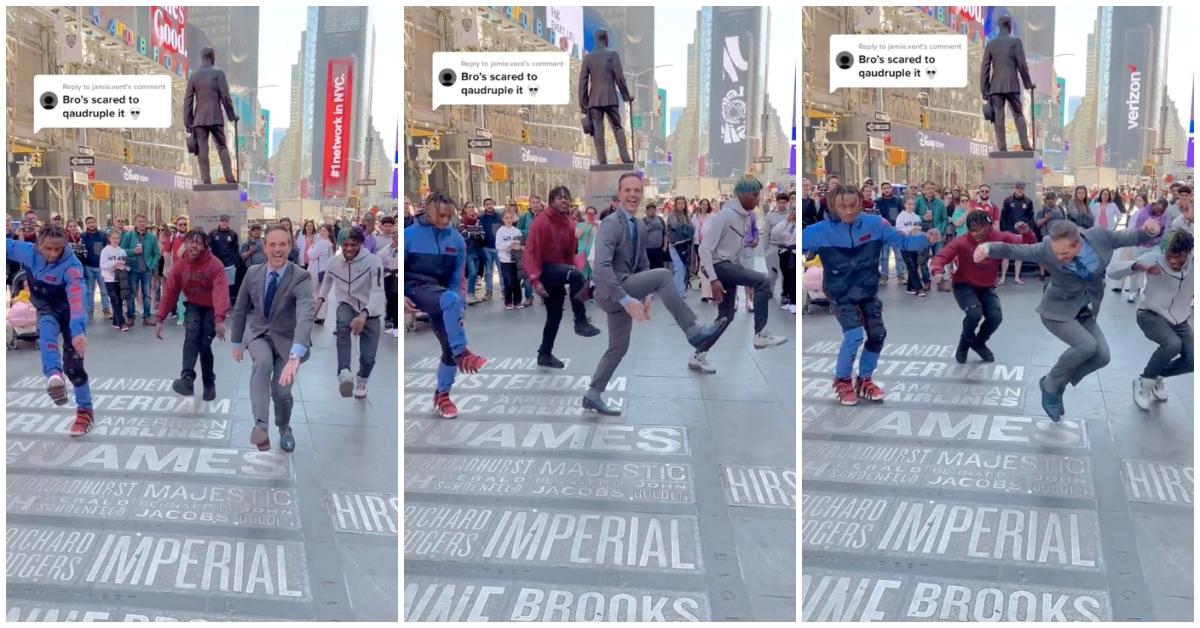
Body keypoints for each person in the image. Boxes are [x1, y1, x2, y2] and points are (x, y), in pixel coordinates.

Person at [976, 217, 1160, 421]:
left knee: (1103, 356)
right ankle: (1051, 384)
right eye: (1056, 253)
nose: (1059, 257)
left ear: (1079, 244)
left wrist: (1149, 231)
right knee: (1087, 346)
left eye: (1064, 253)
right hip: (1057, 310)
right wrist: (987, 248)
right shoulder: (1047, 248)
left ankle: (1055, 382)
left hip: (1085, 309)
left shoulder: (1100, 238)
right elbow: (1014, 250)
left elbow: (1131, 236)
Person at [585, 173, 729, 412]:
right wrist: (625, 298)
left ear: (642, 194)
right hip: (611, 291)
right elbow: (601, 267)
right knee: (664, 275)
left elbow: (641, 263)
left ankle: (593, 393)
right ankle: (694, 333)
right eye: (628, 190)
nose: (633, 195)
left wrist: (645, 295)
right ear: (619, 194)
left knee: (618, 347)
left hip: (627, 286)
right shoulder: (611, 223)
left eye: (637, 191)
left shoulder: (639, 225)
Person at [802, 185, 942, 405]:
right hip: (841, 294)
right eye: (842, 207)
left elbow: (905, 242)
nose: (848, 211)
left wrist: (927, 238)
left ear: (860, 203)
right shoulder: (819, 231)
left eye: (852, 206)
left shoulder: (876, 224)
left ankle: (864, 380)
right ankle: (842, 380)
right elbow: (794, 244)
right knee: (854, 335)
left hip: (867, 290)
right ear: (833, 206)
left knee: (877, 335)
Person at [403, 192, 489, 419]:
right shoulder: (409, 235)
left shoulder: (456, 240)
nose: (445, 221)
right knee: (450, 304)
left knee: (448, 347)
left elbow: (458, 280)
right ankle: (463, 352)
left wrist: (459, 310)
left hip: (443, 296)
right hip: (415, 287)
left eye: (449, 216)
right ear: (428, 210)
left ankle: (442, 394)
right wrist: (401, 296)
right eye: (441, 215)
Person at [229, 226, 313, 452]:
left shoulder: (300, 276)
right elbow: (240, 308)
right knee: (262, 363)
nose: (278, 250)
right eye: (272, 245)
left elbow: (306, 314)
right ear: (265, 248)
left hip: (288, 340)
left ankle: (284, 428)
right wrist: (236, 342)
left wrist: (296, 355)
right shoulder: (253, 273)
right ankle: (261, 426)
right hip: (259, 334)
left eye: (283, 244)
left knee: (282, 392)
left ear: (290, 247)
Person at [7, 226, 94, 434]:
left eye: (58, 249)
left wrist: (78, 331)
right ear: (38, 246)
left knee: (74, 366)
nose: (53, 254)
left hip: (71, 315)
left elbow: (77, 299)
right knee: (46, 335)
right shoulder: (28, 252)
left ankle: (85, 412)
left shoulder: (72, 266)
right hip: (48, 311)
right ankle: (54, 377)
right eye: (48, 249)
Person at [932, 210, 1036, 363]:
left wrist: (1026, 232)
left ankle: (979, 343)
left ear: (989, 226)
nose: (975, 233)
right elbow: (941, 256)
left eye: (979, 228)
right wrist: (937, 271)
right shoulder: (962, 241)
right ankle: (964, 344)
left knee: (995, 317)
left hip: (986, 286)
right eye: (972, 229)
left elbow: (1028, 244)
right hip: (963, 285)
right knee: (974, 314)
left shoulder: (999, 238)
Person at [1107, 230, 1193, 410]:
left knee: (1193, 359)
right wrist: (1139, 266)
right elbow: (1113, 272)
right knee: (1173, 344)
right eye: (1169, 256)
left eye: (1178, 257)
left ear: (1189, 252)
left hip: (1180, 320)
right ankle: (1143, 383)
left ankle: (1157, 376)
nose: (1173, 261)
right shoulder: (1154, 257)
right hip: (1149, 313)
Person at [699, 177, 788, 349]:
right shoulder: (725, 215)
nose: (758, 199)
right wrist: (713, 279)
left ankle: (699, 354)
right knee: (762, 281)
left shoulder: (748, 216)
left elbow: (735, 249)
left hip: (730, 265)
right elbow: (704, 249)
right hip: (719, 266)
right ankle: (760, 333)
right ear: (743, 195)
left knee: (726, 317)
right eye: (755, 195)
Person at [523, 185, 602, 369]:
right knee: (575, 274)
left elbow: (569, 251)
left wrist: (570, 273)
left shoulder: (568, 222)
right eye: (559, 197)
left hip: (558, 270)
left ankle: (544, 354)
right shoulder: (541, 223)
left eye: (567, 197)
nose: (564, 200)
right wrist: (535, 281)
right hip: (545, 270)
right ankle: (580, 321)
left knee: (555, 315)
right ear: (551, 202)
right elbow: (530, 252)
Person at [156, 228, 230, 401]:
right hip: (193, 305)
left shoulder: (215, 265)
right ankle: (187, 379)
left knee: (204, 344)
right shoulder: (180, 265)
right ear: (185, 244)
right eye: (190, 242)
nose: (193, 246)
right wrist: (160, 318)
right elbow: (170, 292)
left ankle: (209, 381)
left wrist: (219, 319)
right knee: (191, 335)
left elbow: (221, 292)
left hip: (211, 307)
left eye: (198, 243)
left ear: (204, 246)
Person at [318, 229, 385, 398]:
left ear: (360, 244)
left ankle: (362, 380)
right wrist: (318, 302)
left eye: (353, 244)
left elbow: (378, 292)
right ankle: (344, 372)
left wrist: (363, 315)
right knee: (342, 324)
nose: (348, 249)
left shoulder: (373, 261)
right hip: (347, 303)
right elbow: (327, 281)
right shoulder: (334, 263)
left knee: (368, 358)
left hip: (370, 310)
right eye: (345, 244)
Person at [183, 47, 238, 184]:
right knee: (222, 147)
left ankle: (206, 180)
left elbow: (188, 101)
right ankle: (229, 178)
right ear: (211, 57)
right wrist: (231, 116)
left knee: (202, 149)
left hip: (199, 120)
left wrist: (188, 123)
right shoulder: (219, 74)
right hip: (215, 117)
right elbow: (225, 97)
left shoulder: (194, 77)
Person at [579, 28, 634, 164]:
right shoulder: (613, 55)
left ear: (597, 39)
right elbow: (620, 78)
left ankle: (602, 161)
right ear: (606, 39)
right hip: (610, 97)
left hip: (594, 100)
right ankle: (626, 158)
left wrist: (583, 103)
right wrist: (626, 96)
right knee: (617, 127)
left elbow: (583, 82)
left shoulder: (588, 58)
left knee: (598, 130)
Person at [980, 15, 1034, 151]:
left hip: (995, 87)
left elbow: (985, 68)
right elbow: (1022, 65)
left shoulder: (991, 44)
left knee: (999, 117)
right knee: (1018, 114)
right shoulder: (1016, 42)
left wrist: (984, 90)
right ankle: (1025, 145)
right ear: (1008, 25)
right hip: (1012, 85)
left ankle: (1002, 148)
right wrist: (1028, 84)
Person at [1127, 199, 1172, 302]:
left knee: (1152, 270)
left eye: (1162, 211)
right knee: (1135, 267)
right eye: (1158, 210)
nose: (1159, 212)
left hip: (1155, 246)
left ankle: (1149, 294)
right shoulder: (1144, 212)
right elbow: (1137, 227)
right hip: (1140, 244)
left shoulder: (1165, 216)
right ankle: (1133, 291)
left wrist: (1162, 245)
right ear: (1154, 205)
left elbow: (1165, 232)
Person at [120, 214, 161, 327]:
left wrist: (151, 265)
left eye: (144, 221)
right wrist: (133, 251)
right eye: (140, 221)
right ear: (135, 223)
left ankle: (146, 317)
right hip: (132, 269)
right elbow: (121, 251)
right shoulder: (129, 235)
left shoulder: (151, 237)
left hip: (146, 270)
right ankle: (131, 317)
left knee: (147, 295)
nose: (142, 223)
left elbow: (157, 254)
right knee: (131, 294)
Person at [999, 182, 1035, 285]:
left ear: (1024, 189)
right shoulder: (1008, 200)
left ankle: (1017, 277)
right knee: (1006, 255)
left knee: (1018, 256)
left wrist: (1027, 231)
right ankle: (1002, 278)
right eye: (1018, 188)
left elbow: (1030, 218)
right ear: (1015, 189)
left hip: (1021, 234)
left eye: (1022, 188)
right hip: (1009, 232)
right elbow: (1003, 217)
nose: (1020, 190)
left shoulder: (1028, 202)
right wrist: (1003, 231)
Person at [915, 181, 949, 291]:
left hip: (937, 235)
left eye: (932, 188)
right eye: (928, 188)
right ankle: (926, 281)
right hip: (923, 234)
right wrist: (922, 217)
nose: (930, 190)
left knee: (939, 258)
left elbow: (944, 219)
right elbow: (912, 216)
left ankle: (940, 282)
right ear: (924, 189)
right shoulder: (918, 201)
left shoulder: (940, 203)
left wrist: (941, 231)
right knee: (922, 259)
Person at [80, 216, 111, 321]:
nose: (91, 224)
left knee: (104, 290)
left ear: (95, 222)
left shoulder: (103, 235)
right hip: (88, 267)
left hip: (101, 267)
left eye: (92, 222)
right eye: (89, 222)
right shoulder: (82, 236)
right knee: (89, 291)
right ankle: (89, 312)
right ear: (86, 224)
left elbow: (108, 249)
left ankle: (106, 310)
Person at [100, 230, 131, 331]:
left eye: (117, 238)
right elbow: (102, 265)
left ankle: (116, 322)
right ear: (109, 239)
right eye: (114, 238)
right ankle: (122, 323)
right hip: (109, 279)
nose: (116, 240)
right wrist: (114, 263)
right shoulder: (105, 250)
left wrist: (123, 267)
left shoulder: (121, 251)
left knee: (119, 300)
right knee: (115, 300)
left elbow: (127, 265)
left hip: (120, 280)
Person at [516, 196, 545, 307]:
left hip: (543, 250)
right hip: (528, 249)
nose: (536, 204)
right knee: (528, 274)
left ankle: (544, 296)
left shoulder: (545, 216)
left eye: (538, 202)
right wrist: (530, 231)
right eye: (533, 202)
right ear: (530, 204)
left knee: (543, 274)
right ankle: (529, 297)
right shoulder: (524, 216)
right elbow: (518, 231)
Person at [874, 183, 903, 285]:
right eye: (884, 188)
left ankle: (901, 275)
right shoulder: (878, 202)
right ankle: (884, 276)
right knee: (884, 256)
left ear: (891, 189)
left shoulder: (898, 201)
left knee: (898, 255)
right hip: (884, 232)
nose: (886, 190)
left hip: (895, 231)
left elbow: (901, 215)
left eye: (888, 188)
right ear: (881, 190)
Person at [308, 224, 336, 324]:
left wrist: (311, 247)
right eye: (321, 230)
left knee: (315, 293)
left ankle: (316, 315)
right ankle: (322, 315)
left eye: (324, 231)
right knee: (324, 295)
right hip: (327, 271)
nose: (322, 232)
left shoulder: (322, 243)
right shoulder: (331, 244)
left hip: (317, 271)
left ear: (328, 232)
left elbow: (311, 255)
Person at [495, 209, 523, 309]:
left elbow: (519, 244)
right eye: (506, 218)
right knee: (508, 281)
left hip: (515, 259)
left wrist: (515, 246)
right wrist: (509, 243)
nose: (509, 220)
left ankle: (517, 301)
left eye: (510, 218)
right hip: (505, 260)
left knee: (516, 281)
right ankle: (508, 302)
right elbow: (499, 246)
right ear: (503, 219)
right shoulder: (500, 231)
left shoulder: (517, 231)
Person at [773, 201, 798, 314]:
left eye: (796, 209)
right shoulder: (785, 223)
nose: (794, 212)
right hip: (784, 252)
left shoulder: (800, 224)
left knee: (794, 278)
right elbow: (775, 232)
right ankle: (790, 300)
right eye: (792, 209)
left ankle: (794, 302)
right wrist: (787, 221)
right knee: (786, 277)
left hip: (794, 253)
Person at [209, 215, 240, 304]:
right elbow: (209, 248)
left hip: (229, 264)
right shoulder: (213, 233)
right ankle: (217, 303)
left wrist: (235, 262)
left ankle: (226, 304)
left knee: (228, 286)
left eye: (226, 221)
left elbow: (236, 249)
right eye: (222, 221)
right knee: (217, 285)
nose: (224, 223)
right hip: (217, 265)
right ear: (219, 222)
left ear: (228, 222)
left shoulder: (233, 234)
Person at [667, 197, 694, 298]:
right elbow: (676, 227)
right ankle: (674, 293)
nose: (681, 205)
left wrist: (685, 227)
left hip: (685, 246)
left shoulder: (686, 216)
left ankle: (680, 293)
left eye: (683, 203)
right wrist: (685, 227)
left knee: (683, 268)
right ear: (675, 204)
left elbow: (692, 229)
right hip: (675, 246)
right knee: (679, 268)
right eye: (679, 203)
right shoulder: (672, 215)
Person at [378, 216, 400, 334]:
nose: (395, 236)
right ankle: (394, 323)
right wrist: (390, 247)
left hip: (398, 276)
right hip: (388, 276)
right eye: (394, 234)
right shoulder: (387, 247)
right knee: (390, 300)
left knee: (397, 301)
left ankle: (397, 325)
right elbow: (379, 257)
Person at [643, 202, 668, 270]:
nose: (652, 211)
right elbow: (640, 235)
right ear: (646, 211)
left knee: (659, 269)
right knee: (649, 270)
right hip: (648, 251)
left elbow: (665, 233)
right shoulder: (643, 221)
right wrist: (648, 228)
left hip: (659, 249)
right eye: (650, 209)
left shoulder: (660, 219)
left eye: (653, 209)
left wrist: (665, 246)